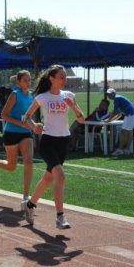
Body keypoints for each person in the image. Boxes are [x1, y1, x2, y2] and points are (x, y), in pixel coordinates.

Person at [22, 65, 85, 229]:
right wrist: (34, 125)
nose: (64, 80)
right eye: (61, 77)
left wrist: (73, 106)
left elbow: (81, 119)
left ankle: (29, 206)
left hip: (64, 142)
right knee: (60, 176)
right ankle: (60, 217)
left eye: (65, 77)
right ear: (52, 78)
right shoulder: (42, 97)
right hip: (48, 141)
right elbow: (26, 117)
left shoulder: (69, 96)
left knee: (48, 178)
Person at [0, 70, 35, 222]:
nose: (28, 82)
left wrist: (33, 126)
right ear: (19, 82)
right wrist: (20, 123)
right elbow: (3, 115)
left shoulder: (31, 96)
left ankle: (26, 198)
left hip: (26, 133)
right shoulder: (14, 94)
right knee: (12, 166)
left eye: (29, 80)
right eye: (25, 80)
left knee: (29, 161)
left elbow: (28, 116)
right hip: (11, 133)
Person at [105, 88, 134, 155]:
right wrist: (111, 120)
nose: (108, 96)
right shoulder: (118, 98)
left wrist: (108, 120)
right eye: (107, 94)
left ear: (114, 93)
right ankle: (125, 149)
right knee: (127, 132)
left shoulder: (117, 99)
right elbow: (119, 114)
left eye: (110, 94)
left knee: (126, 132)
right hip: (130, 115)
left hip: (130, 115)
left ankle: (123, 149)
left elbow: (115, 112)